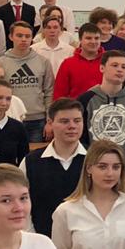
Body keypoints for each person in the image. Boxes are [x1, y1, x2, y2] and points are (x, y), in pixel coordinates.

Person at [78, 50, 125, 184]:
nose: (120, 70)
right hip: (92, 178)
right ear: (102, 68)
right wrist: (92, 171)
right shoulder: (86, 100)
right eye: (115, 65)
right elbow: (80, 141)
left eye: (124, 67)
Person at [19, 97, 86, 238]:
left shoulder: (94, 159)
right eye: (64, 121)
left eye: (77, 121)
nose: (72, 126)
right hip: (41, 239)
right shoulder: (31, 161)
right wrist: (32, 237)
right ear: (50, 123)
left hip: (86, 241)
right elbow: (20, 201)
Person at [0, 20, 54, 143]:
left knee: (35, 154)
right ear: (11, 36)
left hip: (37, 121)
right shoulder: (0, 63)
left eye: (27, 36)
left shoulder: (43, 62)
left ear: (32, 38)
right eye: (19, 35)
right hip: (9, 118)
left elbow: (49, 92)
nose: (24, 39)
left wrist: (50, 121)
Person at [53, 23, 105, 100]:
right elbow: (59, 94)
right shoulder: (68, 64)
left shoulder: (109, 62)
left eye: (97, 38)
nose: (93, 41)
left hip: (104, 106)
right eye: (88, 38)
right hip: (75, 106)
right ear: (80, 40)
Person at [32, 13, 73, 78]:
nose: (52, 31)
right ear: (43, 30)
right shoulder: (34, 49)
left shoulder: (70, 50)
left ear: (60, 29)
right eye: (48, 27)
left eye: (55, 27)